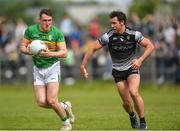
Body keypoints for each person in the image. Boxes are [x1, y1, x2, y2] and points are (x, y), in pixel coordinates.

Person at [80, 11, 155, 130]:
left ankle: (143, 122)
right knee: (127, 104)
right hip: (118, 72)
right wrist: (83, 65)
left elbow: (150, 46)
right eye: (111, 23)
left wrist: (140, 60)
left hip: (132, 68)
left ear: (122, 22)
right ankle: (132, 115)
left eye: (114, 23)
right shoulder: (108, 36)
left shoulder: (133, 34)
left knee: (134, 92)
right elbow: (93, 48)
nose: (112, 26)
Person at [20, 9, 75, 130]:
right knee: (41, 102)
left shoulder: (57, 33)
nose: (47, 23)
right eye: (44, 20)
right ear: (39, 20)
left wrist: (50, 54)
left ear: (52, 20)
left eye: (49, 20)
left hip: (52, 68)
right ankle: (64, 106)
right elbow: (22, 47)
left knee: (51, 100)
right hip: (38, 69)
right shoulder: (30, 30)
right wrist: (31, 51)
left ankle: (66, 123)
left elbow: (64, 53)